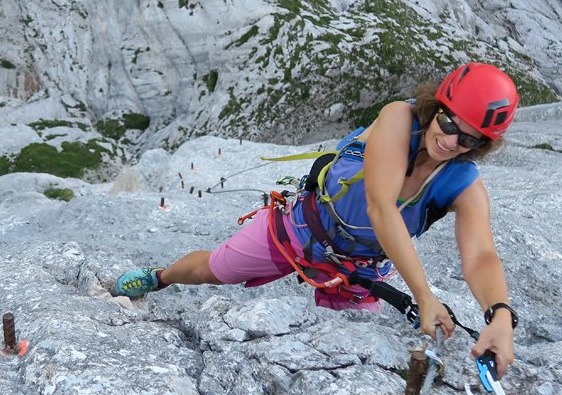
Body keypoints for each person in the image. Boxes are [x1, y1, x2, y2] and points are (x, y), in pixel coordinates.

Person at [112, 62, 519, 377]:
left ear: (481, 145)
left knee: (351, 358)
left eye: (468, 138)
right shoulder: (399, 118)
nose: (450, 140)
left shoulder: (462, 183)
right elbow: (380, 206)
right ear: (436, 107)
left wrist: (500, 315)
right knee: (213, 269)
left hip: (358, 270)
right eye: (448, 123)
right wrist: (424, 297)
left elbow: (481, 254)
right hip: (300, 228)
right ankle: (159, 277)